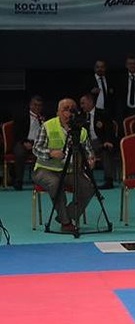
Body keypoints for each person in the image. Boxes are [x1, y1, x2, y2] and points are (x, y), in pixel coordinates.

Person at [32, 98, 96, 233]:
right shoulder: (47, 126)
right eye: (65, 110)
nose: (68, 113)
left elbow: (89, 151)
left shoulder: (81, 130)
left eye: (71, 110)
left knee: (88, 187)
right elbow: (36, 149)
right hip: (45, 169)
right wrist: (50, 153)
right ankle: (66, 223)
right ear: (58, 112)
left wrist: (91, 159)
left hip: (70, 170)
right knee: (56, 183)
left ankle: (66, 215)